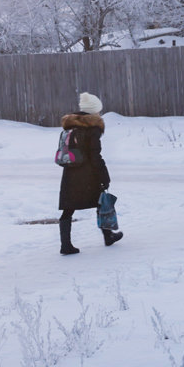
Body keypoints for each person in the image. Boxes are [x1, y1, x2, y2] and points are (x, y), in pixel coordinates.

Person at [58, 92, 123, 254]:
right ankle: (108, 236)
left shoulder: (71, 125)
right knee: (102, 202)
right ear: (94, 111)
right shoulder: (92, 127)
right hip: (87, 174)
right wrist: (104, 176)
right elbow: (95, 155)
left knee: (68, 208)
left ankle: (65, 245)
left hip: (70, 173)